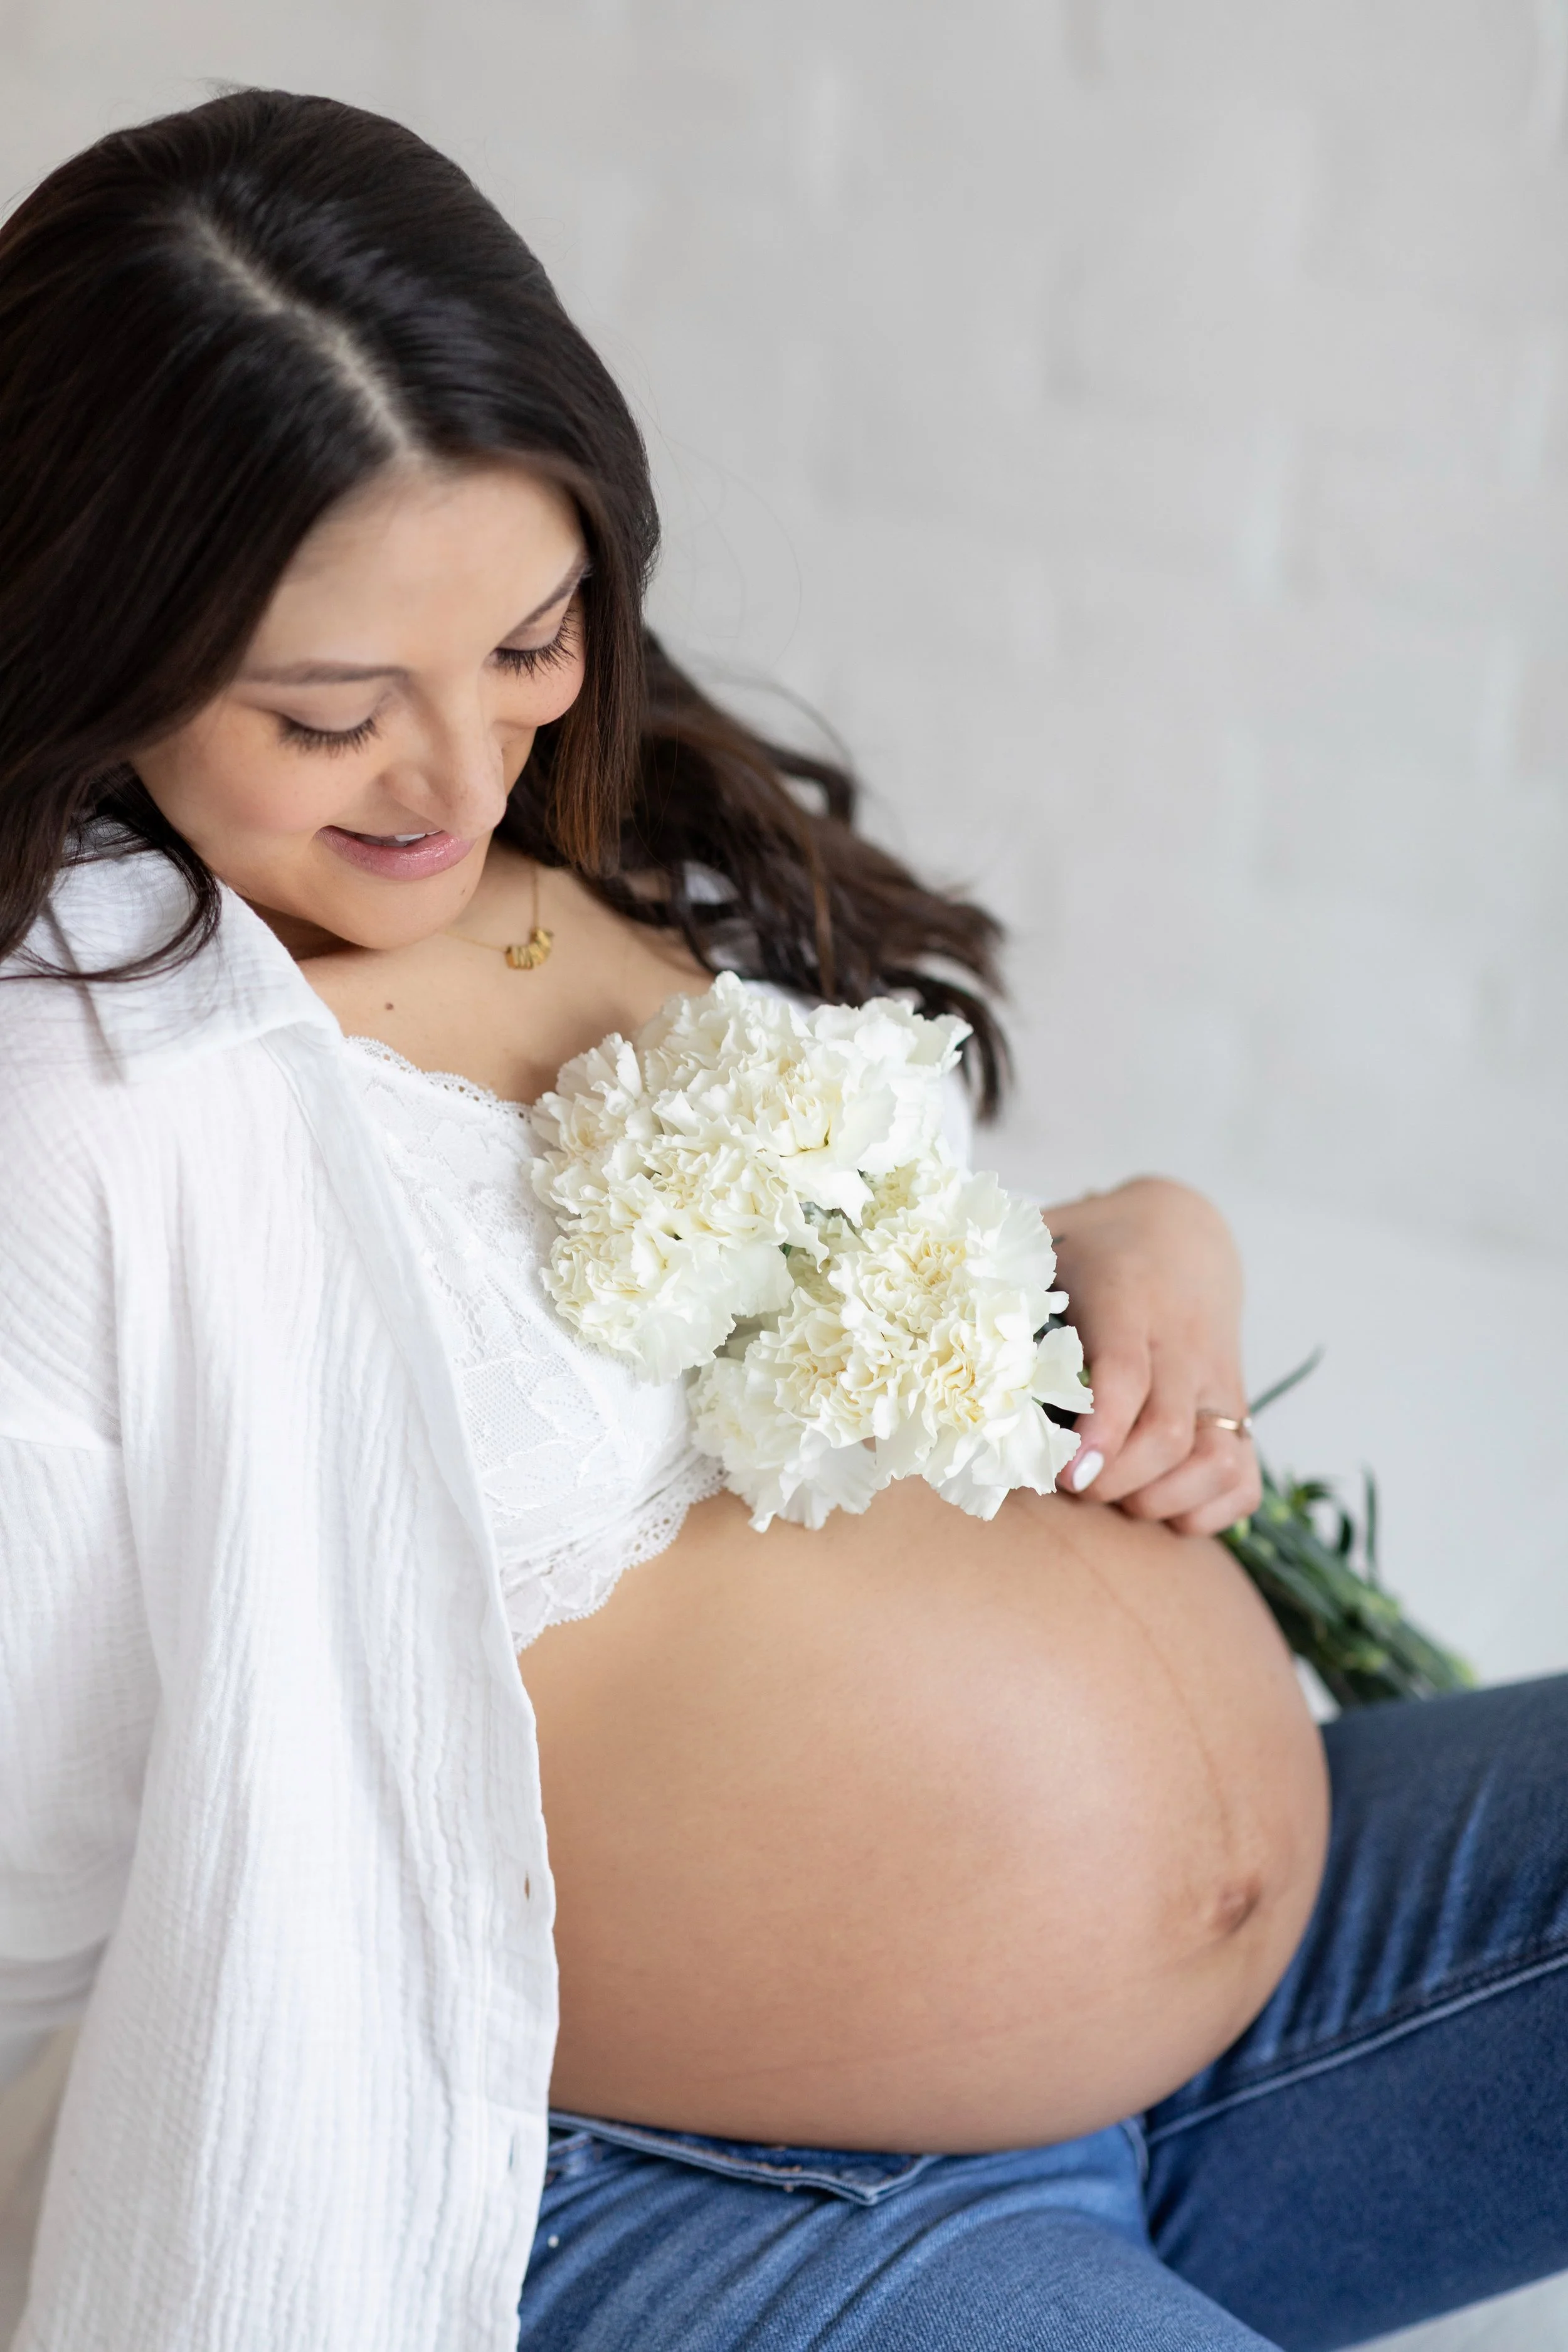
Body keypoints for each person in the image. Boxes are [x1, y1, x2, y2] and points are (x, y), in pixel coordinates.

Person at [0, 88, 1563, 2352]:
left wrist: (1132, 1247)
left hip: (1251, 2018)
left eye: (526, 638)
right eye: (333, 715)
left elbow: (776, 1356)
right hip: (692, 2188)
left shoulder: (564, 831)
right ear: (89, 628)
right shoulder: (91, 1076)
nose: (462, 775)